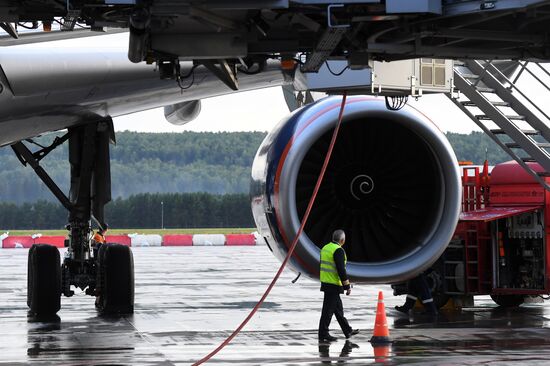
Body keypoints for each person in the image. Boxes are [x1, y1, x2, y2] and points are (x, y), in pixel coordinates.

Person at [318, 229, 359, 342]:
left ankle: (348, 330)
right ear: (342, 240)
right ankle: (323, 334)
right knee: (327, 311)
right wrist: (347, 286)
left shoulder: (325, 248)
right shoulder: (338, 250)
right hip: (333, 284)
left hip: (326, 282)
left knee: (338, 310)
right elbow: (341, 270)